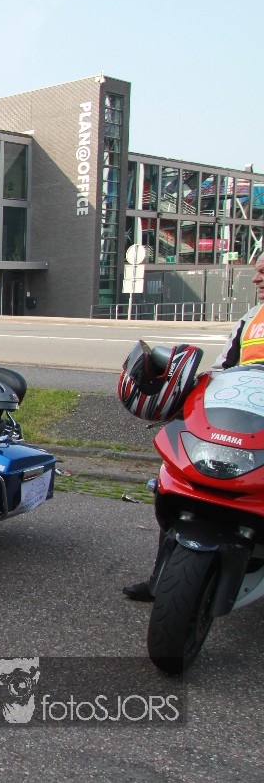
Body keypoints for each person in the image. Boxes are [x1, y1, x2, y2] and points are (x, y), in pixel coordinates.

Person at [123, 253, 264, 601]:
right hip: (245, 415)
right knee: (181, 481)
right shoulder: (252, 318)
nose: (255, 278)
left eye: (263, 271)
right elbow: (223, 369)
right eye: (256, 270)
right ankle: (161, 579)